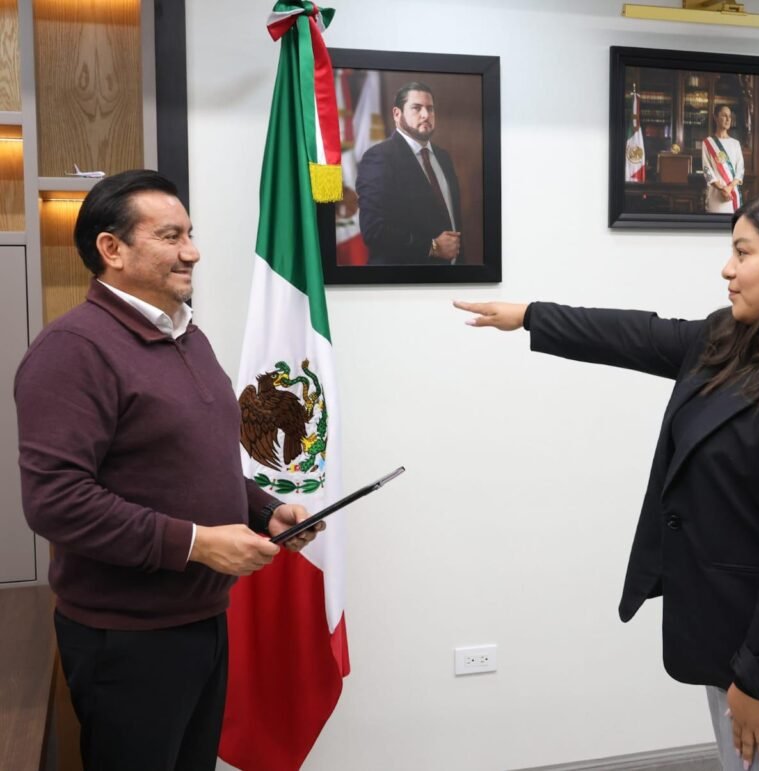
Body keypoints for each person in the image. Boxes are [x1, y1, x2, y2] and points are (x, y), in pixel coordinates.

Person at [454, 186, 759, 771]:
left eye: (743, 252)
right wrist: (531, 315)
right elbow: (639, 335)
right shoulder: (731, 340)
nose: (727, 269)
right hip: (736, 640)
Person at [15, 169, 321, 771]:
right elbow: (56, 502)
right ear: (112, 249)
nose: (192, 252)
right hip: (128, 640)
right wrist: (198, 544)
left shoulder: (188, 337)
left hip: (202, 620)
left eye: (190, 234)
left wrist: (264, 510)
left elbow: (192, 462)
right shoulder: (73, 350)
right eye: (170, 236)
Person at [356, 81, 462, 265]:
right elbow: (374, 230)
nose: (426, 115)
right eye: (416, 108)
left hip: (452, 276)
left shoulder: (443, 157)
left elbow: (451, 223)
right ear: (397, 114)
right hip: (402, 278)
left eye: (430, 109)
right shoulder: (379, 157)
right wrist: (432, 247)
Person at [702, 103, 745, 213]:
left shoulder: (735, 144)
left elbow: (740, 170)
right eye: (724, 115)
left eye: (729, 116)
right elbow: (707, 170)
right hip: (716, 195)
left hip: (732, 194)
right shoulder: (708, 143)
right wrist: (721, 189)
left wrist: (729, 188)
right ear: (716, 118)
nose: (728, 119)